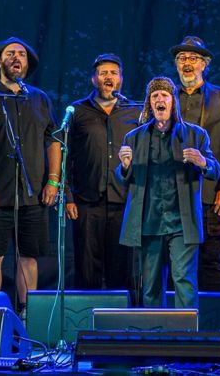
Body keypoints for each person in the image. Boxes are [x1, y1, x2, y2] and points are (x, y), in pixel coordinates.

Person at [0, 37, 60, 314]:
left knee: (28, 257)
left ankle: (26, 313)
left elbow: (53, 140)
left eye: (21, 54)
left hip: (32, 192)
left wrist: (53, 180)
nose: (17, 58)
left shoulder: (39, 98)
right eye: (11, 54)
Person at [117, 77, 220, 309]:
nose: (160, 99)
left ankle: (187, 338)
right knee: (151, 284)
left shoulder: (195, 135)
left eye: (164, 95)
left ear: (173, 101)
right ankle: (155, 335)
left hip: (182, 223)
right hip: (148, 222)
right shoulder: (134, 138)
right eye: (155, 96)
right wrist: (125, 166)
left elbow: (215, 169)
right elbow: (123, 177)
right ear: (149, 104)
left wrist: (203, 162)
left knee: (184, 280)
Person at [64, 53, 139, 291]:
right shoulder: (77, 111)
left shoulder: (135, 112)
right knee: (86, 267)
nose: (108, 77)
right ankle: (84, 321)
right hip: (87, 200)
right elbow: (65, 156)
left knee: (121, 267)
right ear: (94, 79)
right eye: (103, 73)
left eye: (113, 73)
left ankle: (118, 324)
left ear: (121, 79)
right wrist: (67, 196)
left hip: (123, 200)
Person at [170, 36, 220, 291]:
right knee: (175, 259)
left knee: (212, 257)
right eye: (181, 58)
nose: (186, 63)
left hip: (210, 191)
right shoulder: (166, 98)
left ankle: (213, 320)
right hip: (172, 194)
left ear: (205, 64)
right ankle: (175, 321)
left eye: (193, 58)